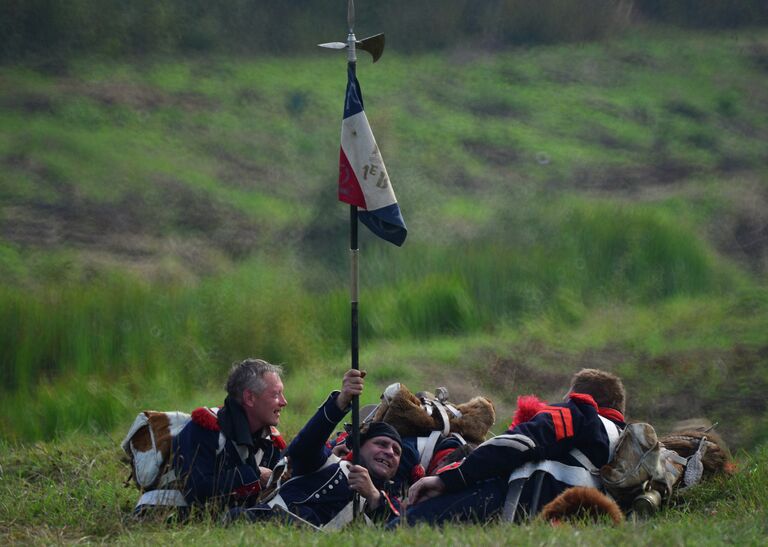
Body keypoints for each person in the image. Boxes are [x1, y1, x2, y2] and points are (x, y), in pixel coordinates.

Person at [393, 368, 626, 526]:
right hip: (554, 519)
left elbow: (517, 442)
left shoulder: (581, 412)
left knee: (404, 524)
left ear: (579, 395)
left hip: (512, 501)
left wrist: (448, 479)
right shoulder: (622, 443)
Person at [229, 369, 402, 528]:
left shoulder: (390, 505)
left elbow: (402, 532)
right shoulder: (329, 464)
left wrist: (373, 496)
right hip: (260, 526)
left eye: (396, 451)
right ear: (358, 446)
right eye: (381, 444)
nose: (389, 452)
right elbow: (304, 445)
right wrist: (341, 402)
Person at [172, 358, 288, 508]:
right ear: (250, 398)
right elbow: (196, 491)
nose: (284, 402)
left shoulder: (269, 440)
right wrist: (255, 475)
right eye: (275, 394)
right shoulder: (204, 429)